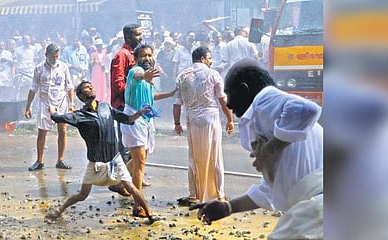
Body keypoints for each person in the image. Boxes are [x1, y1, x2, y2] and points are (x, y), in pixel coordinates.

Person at [190, 58, 323, 239]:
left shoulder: (264, 99)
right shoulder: (276, 121)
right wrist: (228, 207)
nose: (227, 104)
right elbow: (271, 192)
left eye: (229, 94)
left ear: (244, 90)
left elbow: (307, 108)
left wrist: (271, 148)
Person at [45, 81, 161, 224]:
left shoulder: (106, 107)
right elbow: (56, 117)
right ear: (81, 96)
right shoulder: (78, 116)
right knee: (82, 194)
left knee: (131, 187)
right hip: (95, 163)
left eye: (91, 86)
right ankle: (59, 211)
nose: (91, 88)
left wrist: (140, 113)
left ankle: (150, 214)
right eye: (87, 88)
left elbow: (128, 119)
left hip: (114, 160)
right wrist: (52, 109)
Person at [173, 46, 234, 206]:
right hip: (210, 117)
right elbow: (222, 100)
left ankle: (194, 195)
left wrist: (177, 123)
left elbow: (177, 104)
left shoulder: (182, 76)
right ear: (202, 59)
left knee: (194, 157)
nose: (211, 61)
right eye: (209, 58)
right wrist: (230, 119)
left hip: (192, 118)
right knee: (215, 156)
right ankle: (219, 195)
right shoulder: (213, 74)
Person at [121, 44, 177, 217]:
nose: (147, 58)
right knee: (140, 163)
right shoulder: (134, 72)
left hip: (146, 119)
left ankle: (118, 181)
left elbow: (150, 96)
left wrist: (170, 94)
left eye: (150, 55)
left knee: (141, 157)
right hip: (134, 119)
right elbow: (138, 76)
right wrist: (144, 75)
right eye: (144, 55)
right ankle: (138, 206)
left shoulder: (149, 79)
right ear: (137, 58)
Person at [25, 43, 76, 171]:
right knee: (42, 132)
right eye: (52, 57)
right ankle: (40, 161)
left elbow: (69, 86)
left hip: (61, 102)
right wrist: (28, 107)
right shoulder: (39, 68)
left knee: (62, 131)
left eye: (57, 57)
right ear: (46, 55)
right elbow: (33, 88)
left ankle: (60, 160)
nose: (54, 59)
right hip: (45, 103)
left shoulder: (63, 67)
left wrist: (72, 103)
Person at [110, 23, 142, 164]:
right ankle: (124, 179)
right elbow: (118, 83)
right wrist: (129, 98)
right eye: (138, 35)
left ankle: (135, 175)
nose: (141, 38)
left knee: (138, 141)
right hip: (124, 105)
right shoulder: (121, 55)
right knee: (127, 144)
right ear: (128, 37)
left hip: (136, 104)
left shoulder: (135, 54)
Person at [90, 38, 109, 102]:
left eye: (100, 45)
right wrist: (96, 62)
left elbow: (107, 61)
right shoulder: (93, 54)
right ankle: (96, 97)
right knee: (96, 84)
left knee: (103, 83)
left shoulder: (104, 52)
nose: (99, 47)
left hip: (102, 70)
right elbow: (91, 62)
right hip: (96, 70)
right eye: (98, 46)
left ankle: (103, 98)